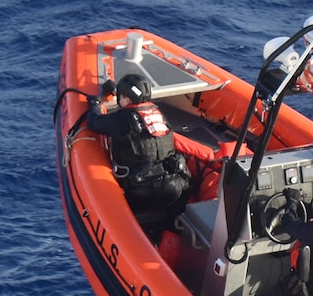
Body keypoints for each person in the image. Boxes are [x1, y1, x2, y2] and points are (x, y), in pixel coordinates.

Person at [86, 73, 219, 235]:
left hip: (140, 191)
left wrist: (94, 103)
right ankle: (174, 232)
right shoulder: (159, 115)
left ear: (126, 99)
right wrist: (116, 91)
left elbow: (94, 122)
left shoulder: (121, 120)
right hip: (172, 188)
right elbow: (137, 112)